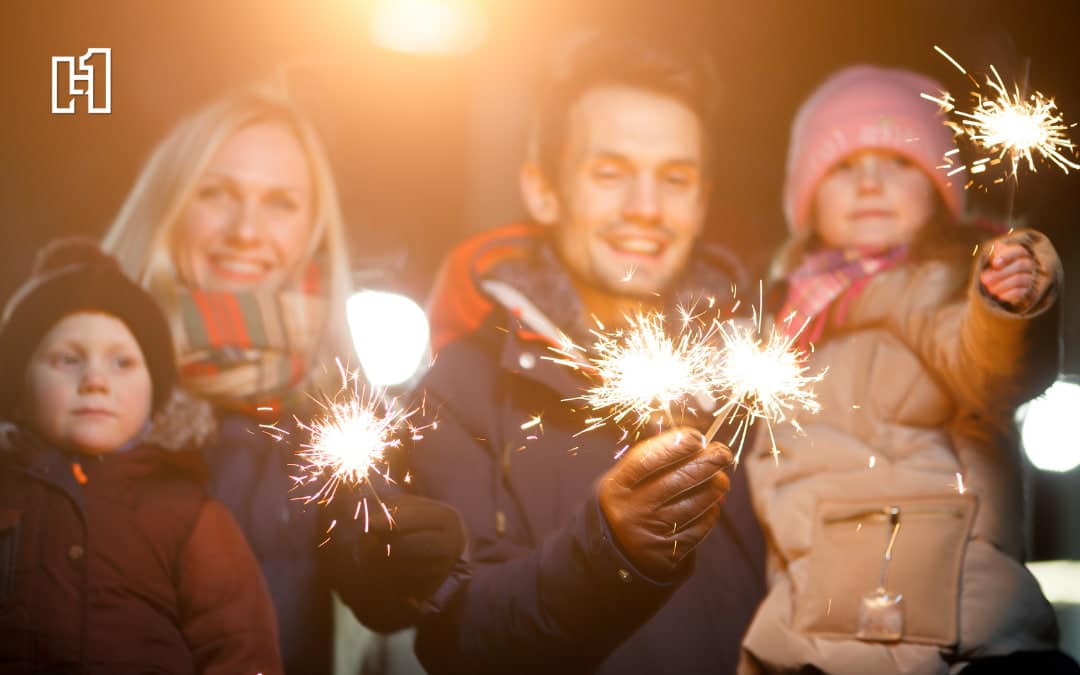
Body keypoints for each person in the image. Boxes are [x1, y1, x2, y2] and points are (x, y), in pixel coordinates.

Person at [406, 36, 765, 674]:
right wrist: (610, 552)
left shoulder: (755, 381)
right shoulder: (464, 387)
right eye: (610, 173)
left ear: (703, 201)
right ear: (543, 190)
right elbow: (455, 636)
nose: (646, 209)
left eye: (675, 179)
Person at [101, 86, 466, 675]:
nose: (246, 230)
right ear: (167, 203)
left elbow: (371, 584)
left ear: (314, 230)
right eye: (215, 193)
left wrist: (402, 561)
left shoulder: (336, 400)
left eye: (280, 203)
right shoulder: (75, 371)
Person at [740, 65, 1078, 675]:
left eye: (898, 162)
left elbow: (993, 369)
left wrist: (1005, 310)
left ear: (939, 186)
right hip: (812, 637)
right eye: (843, 167)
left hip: (957, 633)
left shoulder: (945, 289)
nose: (869, 183)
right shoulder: (787, 321)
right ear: (807, 198)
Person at [0, 238, 282, 674]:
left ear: (155, 394)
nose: (95, 379)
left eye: (122, 363)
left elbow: (239, 648)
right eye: (66, 359)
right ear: (18, 390)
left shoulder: (190, 517)